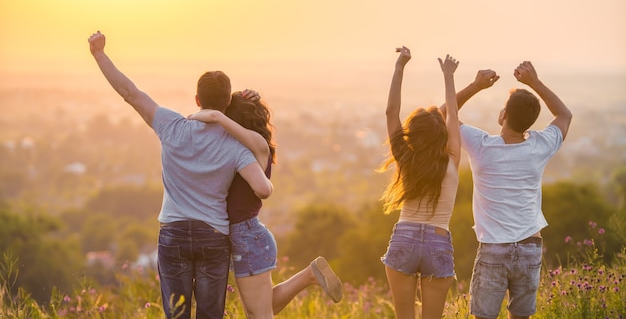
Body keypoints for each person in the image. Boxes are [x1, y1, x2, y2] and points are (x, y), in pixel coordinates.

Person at [87, 31, 273, 319]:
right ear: (226, 104)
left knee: (177, 315)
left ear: (197, 99)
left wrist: (99, 55)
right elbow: (263, 189)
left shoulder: (171, 125)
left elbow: (130, 93)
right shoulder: (236, 145)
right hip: (214, 236)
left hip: (172, 234)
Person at [189, 91, 343, 318]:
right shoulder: (241, 150)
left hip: (248, 237)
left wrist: (218, 116)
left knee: (259, 314)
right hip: (247, 236)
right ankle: (309, 275)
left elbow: (217, 123)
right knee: (258, 310)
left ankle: (309, 275)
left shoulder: (255, 148)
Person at [448, 61, 572, 319]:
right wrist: (534, 83)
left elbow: (441, 115)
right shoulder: (539, 145)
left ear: (503, 115)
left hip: (494, 247)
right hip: (530, 246)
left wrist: (476, 86)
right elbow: (564, 115)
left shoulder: (481, 145)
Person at [379, 47, 461, 319]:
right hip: (438, 242)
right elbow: (453, 115)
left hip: (405, 237)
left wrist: (399, 67)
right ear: (441, 135)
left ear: (411, 134)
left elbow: (391, 112)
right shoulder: (451, 160)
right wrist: (448, 76)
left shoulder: (405, 158)